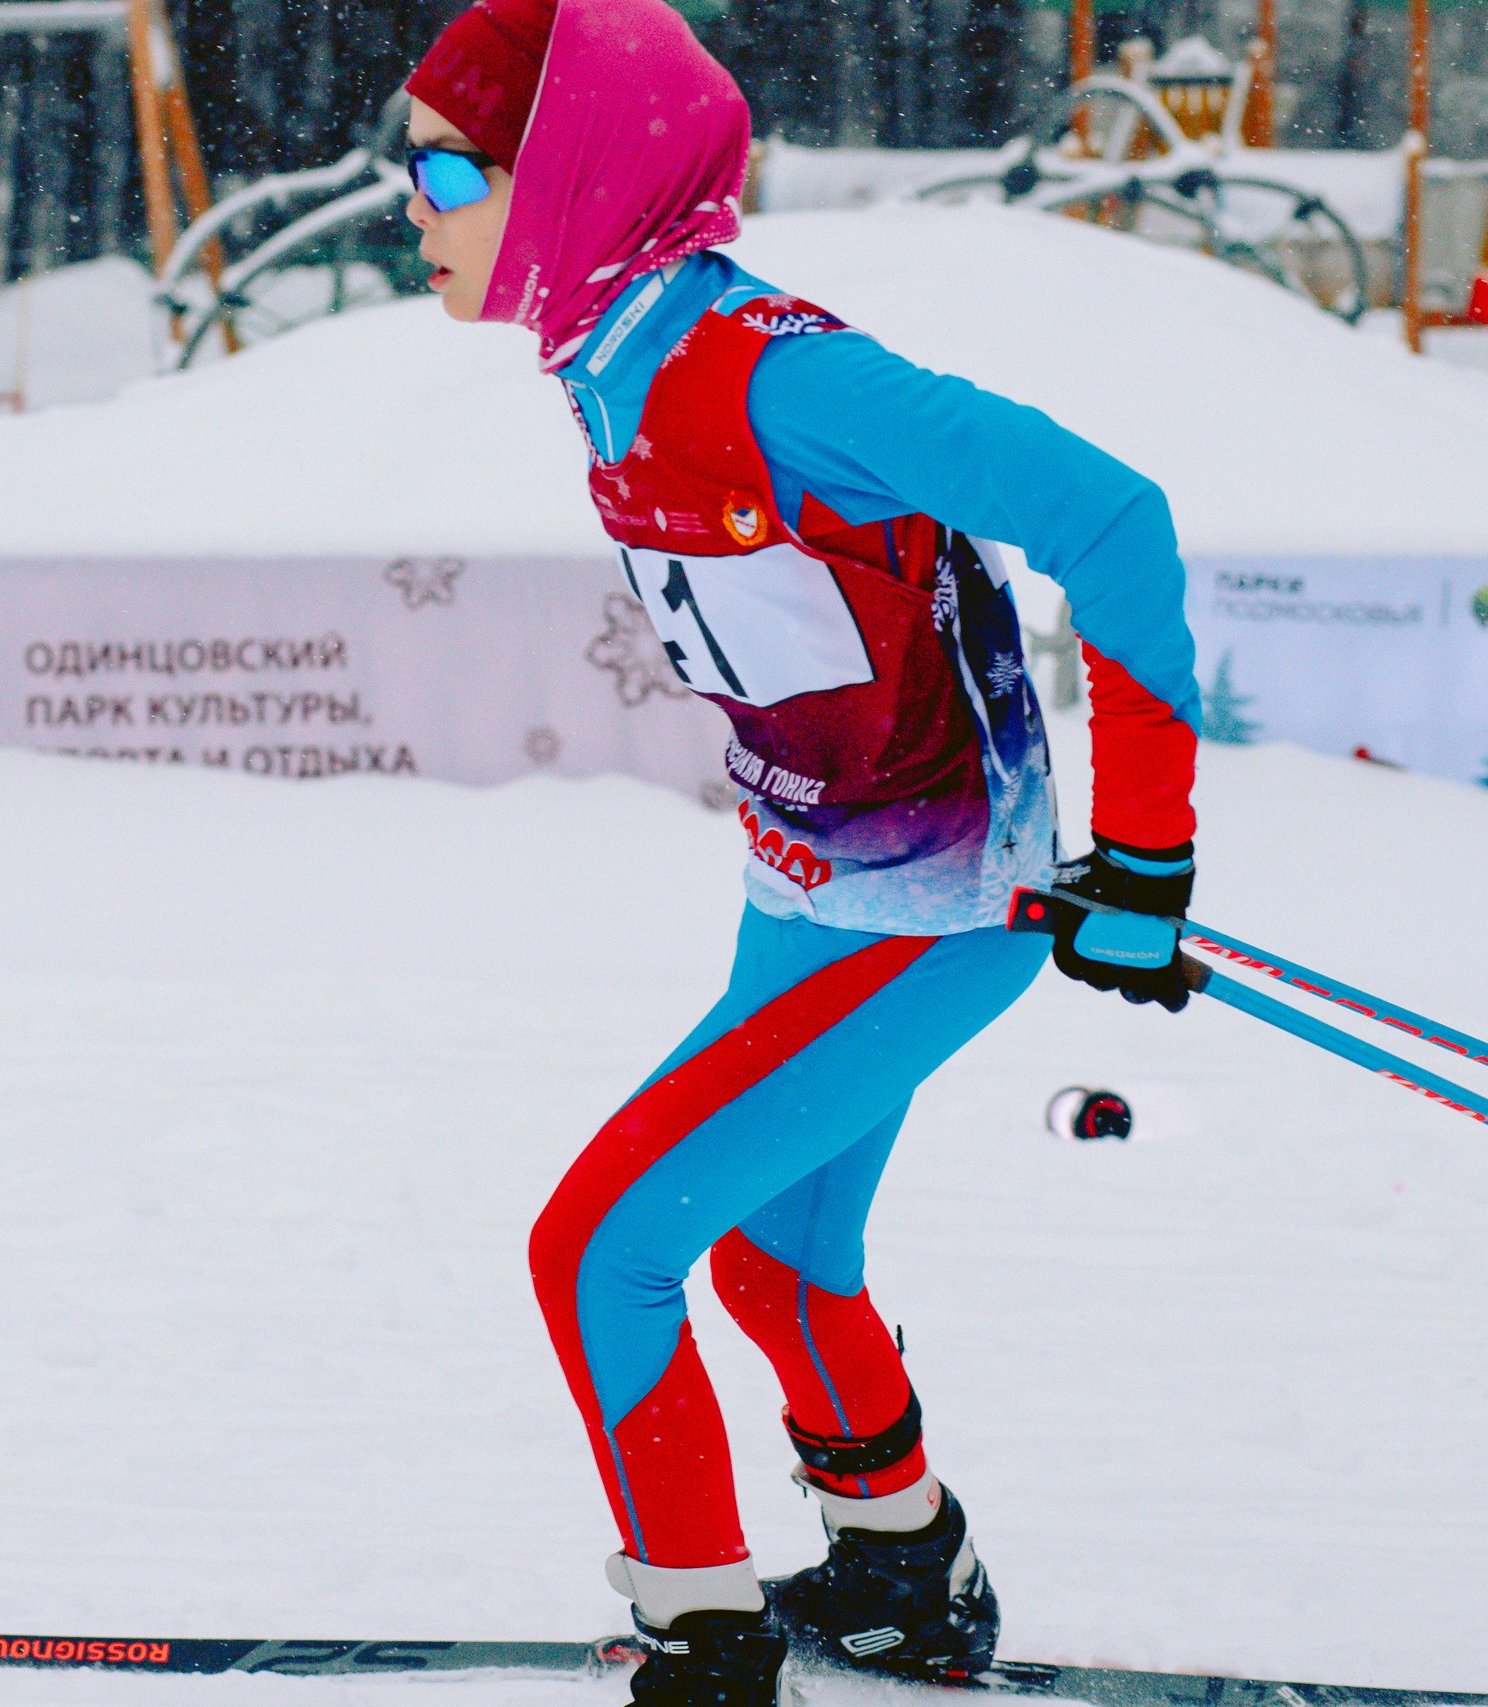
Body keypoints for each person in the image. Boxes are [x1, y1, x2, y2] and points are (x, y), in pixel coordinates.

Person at [399, 2, 1203, 1704]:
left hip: (938, 904)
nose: (414, 203)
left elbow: (1110, 517)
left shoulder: (770, 370)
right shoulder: (609, 357)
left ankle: (700, 1638)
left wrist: (1142, 857)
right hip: (809, 884)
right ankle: (907, 1573)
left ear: (563, 180)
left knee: (598, 1251)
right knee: (776, 1250)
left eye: (449, 167)